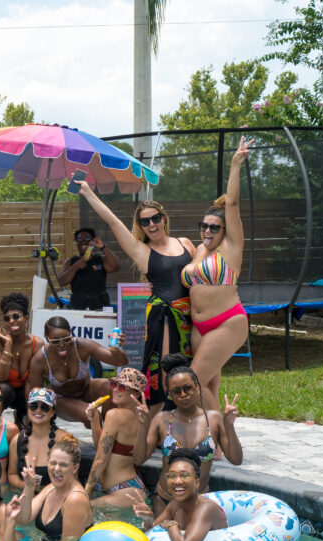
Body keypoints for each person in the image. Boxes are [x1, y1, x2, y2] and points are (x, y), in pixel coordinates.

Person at [77, 181, 196, 412]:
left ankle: (192, 419)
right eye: (144, 221)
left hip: (191, 315)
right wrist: (87, 192)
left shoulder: (185, 243)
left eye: (155, 218)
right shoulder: (143, 251)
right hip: (164, 319)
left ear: (164, 218)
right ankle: (163, 418)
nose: (151, 224)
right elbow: (113, 221)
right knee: (166, 368)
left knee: (193, 369)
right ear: (140, 225)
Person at [183, 136, 254, 411]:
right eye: (204, 226)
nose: (208, 231)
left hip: (227, 322)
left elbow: (233, 205)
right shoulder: (199, 250)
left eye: (215, 228)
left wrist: (235, 164)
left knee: (191, 382)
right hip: (199, 328)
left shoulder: (230, 248)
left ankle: (225, 430)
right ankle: (212, 440)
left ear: (225, 231)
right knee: (208, 387)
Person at [134, 354, 243, 513]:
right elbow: (138, 458)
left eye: (187, 388)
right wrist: (143, 425)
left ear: (197, 386)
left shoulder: (214, 419)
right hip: (165, 501)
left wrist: (229, 426)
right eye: (176, 391)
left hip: (198, 503)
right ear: (170, 394)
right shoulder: (162, 420)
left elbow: (236, 460)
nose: (183, 394)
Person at [130, 449, 228, 541]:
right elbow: (151, 531)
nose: (177, 481)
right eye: (171, 476)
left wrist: (171, 525)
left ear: (197, 482)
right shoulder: (175, 504)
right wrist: (148, 519)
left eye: (184, 475)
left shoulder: (206, 508)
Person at [27, 316, 127, 427]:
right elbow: (34, 394)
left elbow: (120, 362)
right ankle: (102, 438)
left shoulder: (82, 346)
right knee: (93, 415)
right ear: (47, 339)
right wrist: (30, 429)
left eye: (66, 339)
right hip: (61, 400)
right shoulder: (40, 359)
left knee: (109, 386)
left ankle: (110, 429)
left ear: (71, 333)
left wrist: (117, 350)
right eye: (55, 341)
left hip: (86, 390)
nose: (62, 345)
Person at [12, 434, 93, 541]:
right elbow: (23, 519)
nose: (57, 469)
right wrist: (29, 487)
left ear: (75, 468)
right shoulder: (50, 488)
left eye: (63, 465)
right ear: (47, 462)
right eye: (53, 463)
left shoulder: (76, 499)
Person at [83, 367, 148, 507]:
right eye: (114, 384)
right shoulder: (140, 417)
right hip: (130, 488)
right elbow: (102, 448)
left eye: (123, 387)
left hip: (122, 490)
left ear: (136, 394)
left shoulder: (114, 415)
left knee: (77, 510)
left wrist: (85, 494)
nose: (116, 389)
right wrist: (95, 420)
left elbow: (100, 459)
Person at [0, 292, 42, 426]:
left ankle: (25, 421)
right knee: (5, 389)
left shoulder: (37, 344)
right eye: (7, 318)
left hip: (20, 390)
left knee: (33, 388)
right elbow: (0, 377)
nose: (11, 321)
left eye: (15, 316)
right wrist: (8, 345)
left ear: (26, 318)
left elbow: (34, 379)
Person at [7, 387, 71, 491]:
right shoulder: (17, 440)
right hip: (25, 498)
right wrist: (27, 486)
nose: (38, 410)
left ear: (53, 411)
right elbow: (12, 474)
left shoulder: (65, 440)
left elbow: (72, 479)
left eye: (44, 407)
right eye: (33, 406)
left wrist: (43, 491)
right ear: (28, 409)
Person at [58, 228, 120, 310]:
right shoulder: (70, 262)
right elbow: (62, 282)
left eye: (87, 239)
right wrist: (76, 266)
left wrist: (103, 247)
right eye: (80, 239)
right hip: (78, 305)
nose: (84, 242)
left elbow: (116, 266)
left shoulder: (101, 259)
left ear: (93, 241)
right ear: (76, 242)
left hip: (100, 304)